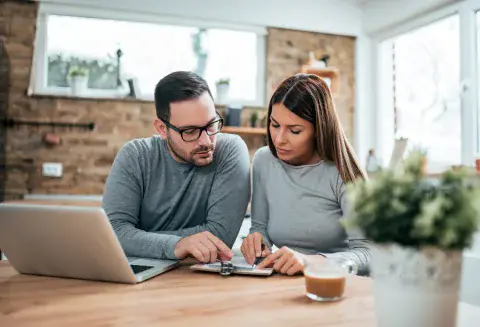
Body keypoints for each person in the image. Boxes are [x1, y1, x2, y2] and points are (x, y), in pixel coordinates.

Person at [103, 71, 251, 263]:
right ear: (162, 129)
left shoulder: (230, 150)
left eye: (211, 125)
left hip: (198, 275)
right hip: (140, 273)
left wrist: (140, 239)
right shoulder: (135, 156)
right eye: (190, 131)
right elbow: (113, 233)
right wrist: (178, 244)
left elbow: (221, 236)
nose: (206, 141)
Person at [241, 74, 370, 276]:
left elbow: (368, 254)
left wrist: (310, 261)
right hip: (286, 283)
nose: (279, 139)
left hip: (336, 284)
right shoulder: (263, 161)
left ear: (319, 130)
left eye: (294, 130)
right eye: (275, 125)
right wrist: (257, 242)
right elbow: (259, 227)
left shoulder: (342, 172)